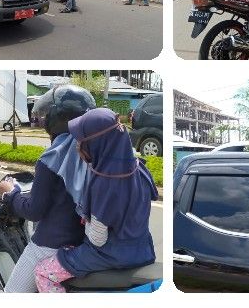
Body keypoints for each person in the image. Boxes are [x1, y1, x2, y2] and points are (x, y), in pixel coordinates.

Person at [34, 107, 157, 292]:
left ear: (97, 144)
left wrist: (87, 219)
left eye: (80, 141)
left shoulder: (105, 182)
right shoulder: (139, 169)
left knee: (43, 272)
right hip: (142, 250)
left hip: (110, 254)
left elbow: (98, 239)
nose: (76, 146)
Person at [0, 85, 96, 292]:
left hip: (52, 244)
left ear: (55, 119)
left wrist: (10, 193)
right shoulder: (97, 149)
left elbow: (34, 211)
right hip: (88, 244)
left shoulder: (51, 158)